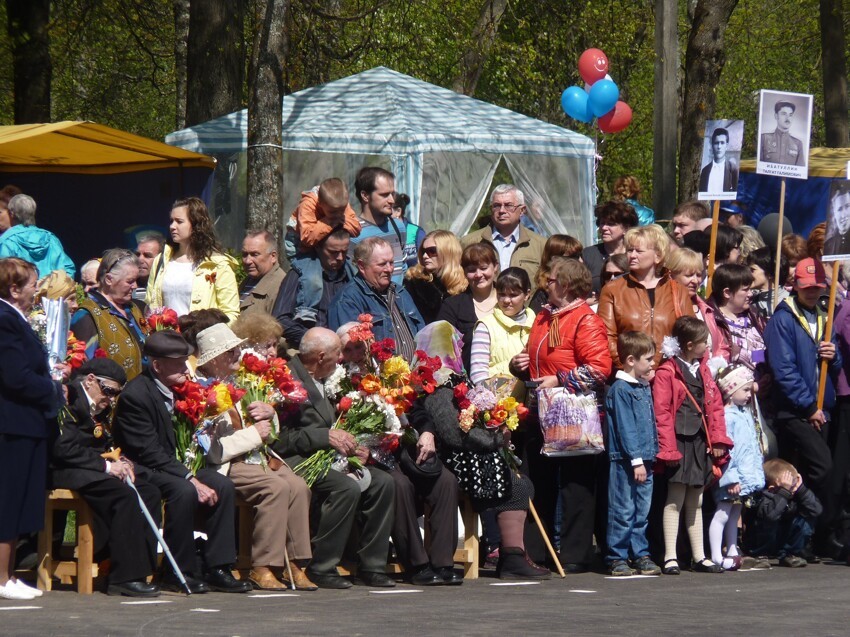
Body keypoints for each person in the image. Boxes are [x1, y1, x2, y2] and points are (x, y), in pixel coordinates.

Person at [113, 330, 251, 594]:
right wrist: (189, 477)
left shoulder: (182, 389)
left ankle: (217, 566)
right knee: (183, 490)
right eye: (179, 364)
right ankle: (178, 570)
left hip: (178, 466)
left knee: (222, 485)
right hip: (145, 467)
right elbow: (149, 451)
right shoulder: (137, 395)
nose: (186, 369)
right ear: (157, 365)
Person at [414, 321, 550, 580]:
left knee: (521, 481)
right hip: (453, 460)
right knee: (518, 485)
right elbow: (454, 434)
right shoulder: (439, 385)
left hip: (463, 456)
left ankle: (512, 556)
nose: (459, 349)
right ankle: (511, 559)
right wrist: (494, 439)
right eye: (455, 344)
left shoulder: (449, 380)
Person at [270, 328, 396, 589]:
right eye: (338, 352)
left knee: (384, 482)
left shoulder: (331, 377)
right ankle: (322, 565)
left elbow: (339, 424)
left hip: (332, 455)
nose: (342, 358)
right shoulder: (287, 379)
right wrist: (324, 437)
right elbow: (278, 438)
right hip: (297, 459)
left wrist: (355, 445)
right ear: (320, 356)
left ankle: (372, 565)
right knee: (344, 487)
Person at [193, 324, 315, 591]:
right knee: (276, 488)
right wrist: (255, 435)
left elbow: (268, 434)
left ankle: (296, 564)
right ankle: (263, 567)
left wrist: (270, 417)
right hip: (227, 464)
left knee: (298, 486)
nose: (239, 354)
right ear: (214, 358)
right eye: (231, 351)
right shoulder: (201, 392)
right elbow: (211, 450)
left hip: (258, 457)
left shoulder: (241, 382)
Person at [510, 258, 612, 572]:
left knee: (576, 483)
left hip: (572, 413)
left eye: (551, 280)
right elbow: (538, 355)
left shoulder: (585, 319)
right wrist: (519, 364)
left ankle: (575, 554)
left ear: (566, 285)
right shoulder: (544, 315)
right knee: (536, 479)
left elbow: (599, 369)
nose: (545, 284)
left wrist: (561, 379)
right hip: (541, 410)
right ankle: (536, 551)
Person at [50, 358, 161, 597]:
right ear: (90, 380)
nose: (111, 399)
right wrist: (107, 467)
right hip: (63, 467)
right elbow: (64, 448)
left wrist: (119, 460)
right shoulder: (68, 397)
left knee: (149, 492)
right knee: (123, 496)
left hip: (90, 466)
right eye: (108, 391)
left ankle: (142, 569)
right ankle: (123, 577)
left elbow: (104, 442)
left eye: (115, 394)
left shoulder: (102, 406)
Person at [763, 257, 841, 550]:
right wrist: (809, 407)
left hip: (822, 408)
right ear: (795, 285)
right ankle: (811, 528)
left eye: (817, 287)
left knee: (805, 471)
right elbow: (784, 369)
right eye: (807, 287)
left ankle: (802, 538)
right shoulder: (783, 319)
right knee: (822, 469)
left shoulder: (824, 314)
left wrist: (834, 356)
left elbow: (833, 367)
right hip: (795, 411)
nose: (812, 292)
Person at [0, 258, 63, 600]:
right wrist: (53, 388)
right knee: (8, 499)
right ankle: (1, 577)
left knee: (20, 497)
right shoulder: (5, 320)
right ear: (14, 289)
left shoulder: (16, 319)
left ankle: (8, 575)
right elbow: (15, 376)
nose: (35, 291)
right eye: (31, 285)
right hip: (13, 424)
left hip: (27, 424)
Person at [654, 317, 732, 575]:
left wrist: (718, 439)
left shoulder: (704, 370)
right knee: (674, 499)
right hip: (678, 442)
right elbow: (662, 412)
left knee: (696, 500)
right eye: (703, 342)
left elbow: (716, 408)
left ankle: (699, 556)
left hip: (700, 440)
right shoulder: (668, 371)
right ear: (689, 345)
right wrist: (668, 448)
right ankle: (670, 556)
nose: (707, 346)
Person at [597, 224, 694, 369]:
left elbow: (691, 334)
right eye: (630, 250)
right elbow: (605, 337)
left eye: (639, 251)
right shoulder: (612, 290)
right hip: (629, 378)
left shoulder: (678, 291)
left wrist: (670, 370)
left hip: (669, 375)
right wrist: (632, 368)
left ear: (658, 256)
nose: (632, 255)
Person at [605, 331, 661, 576]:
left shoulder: (642, 386)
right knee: (623, 509)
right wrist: (636, 460)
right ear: (630, 360)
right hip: (627, 460)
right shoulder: (620, 389)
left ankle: (640, 553)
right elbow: (626, 427)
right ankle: (617, 556)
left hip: (645, 459)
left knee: (642, 510)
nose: (652, 363)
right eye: (647, 359)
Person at [328, 237, 423, 362]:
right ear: (362, 266)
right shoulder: (347, 300)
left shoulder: (400, 292)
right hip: (379, 380)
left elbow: (422, 332)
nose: (389, 269)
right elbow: (351, 353)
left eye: (391, 262)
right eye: (382, 264)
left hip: (414, 375)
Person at [708, 364, 765, 570]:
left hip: (745, 478)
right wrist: (730, 477)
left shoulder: (746, 414)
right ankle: (715, 554)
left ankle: (732, 548)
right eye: (745, 390)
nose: (750, 394)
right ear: (731, 391)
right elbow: (726, 452)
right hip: (732, 478)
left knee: (735, 513)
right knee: (722, 513)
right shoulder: (727, 416)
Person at [145, 197, 239, 321]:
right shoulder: (161, 261)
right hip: (167, 338)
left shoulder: (218, 264)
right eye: (171, 221)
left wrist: (209, 334)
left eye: (179, 221)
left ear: (196, 225)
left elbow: (231, 313)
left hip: (202, 338)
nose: (172, 226)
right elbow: (150, 306)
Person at [284, 179, 361, 324]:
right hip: (300, 247)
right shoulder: (307, 205)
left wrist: (331, 219)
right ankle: (306, 310)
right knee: (312, 275)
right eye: (332, 212)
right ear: (321, 203)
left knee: (353, 271)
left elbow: (356, 228)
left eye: (341, 211)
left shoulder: (339, 204)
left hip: (319, 243)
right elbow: (307, 238)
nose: (337, 215)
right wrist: (330, 222)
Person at [71, 249, 148, 380]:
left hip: (143, 394)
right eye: (130, 281)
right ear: (108, 279)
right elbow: (82, 371)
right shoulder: (87, 316)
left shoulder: (134, 308)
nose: (135, 286)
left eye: (136, 280)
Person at [273, 228, 351, 350]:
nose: (340, 257)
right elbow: (280, 319)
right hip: (311, 355)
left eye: (344, 252)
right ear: (317, 247)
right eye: (333, 252)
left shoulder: (351, 276)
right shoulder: (300, 275)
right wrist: (313, 339)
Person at [743, 458, 823, 567]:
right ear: (772, 489)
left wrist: (802, 490)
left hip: (781, 537)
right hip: (761, 541)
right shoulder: (764, 496)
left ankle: (789, 554)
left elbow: (817, 510)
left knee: (808, 517)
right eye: (790, 486)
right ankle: (759, 555)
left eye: (794, 484)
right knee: (768, 521)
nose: (793, 489)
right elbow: (770, 516)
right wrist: (783, 493)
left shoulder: (796, 493)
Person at [461, 184, 546, 284]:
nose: (502, 210)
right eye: (496, 206)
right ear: (491, 209)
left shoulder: (540, 245)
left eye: (508, 205)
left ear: (522, 210)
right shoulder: (469, 242)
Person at [436, 242, 499, 373]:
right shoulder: (452, 306)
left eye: (483, 268)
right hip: (467, 386)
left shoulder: (512, 301)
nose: (478, 274)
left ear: (495, 267)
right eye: (471, 270)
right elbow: (441, 349)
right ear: (464, 272)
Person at [349, 167, 415, 285]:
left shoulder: (398, 227)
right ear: (365, 195)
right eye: (384, 195)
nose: (391, 200)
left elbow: (402, 269)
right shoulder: (353, 233)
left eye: (392, 194)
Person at [469, 267, 534, 386]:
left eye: (513, 295)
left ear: (527, 294)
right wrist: (511, 367)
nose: (506, 300)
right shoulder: (486, 326)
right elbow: (478, 375)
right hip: (499, 402)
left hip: (533, 400)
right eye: (501, 294)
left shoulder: (539, 324)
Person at [666, 248, 729, 362]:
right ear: (671, 275)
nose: (695, 281)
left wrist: (717, 366)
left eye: (699, 275)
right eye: (689, 275)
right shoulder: (665, 307)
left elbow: (720, 345)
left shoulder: (705, 308)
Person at [0, 194, 75, 278]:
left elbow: (4, 277)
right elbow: (68, 269)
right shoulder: (51, 238)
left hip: (23, 290)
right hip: (53, 290)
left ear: (11, 213)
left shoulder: (6, 242)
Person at [404, 230, 467, 325]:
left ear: (447, 252)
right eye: (423, 251)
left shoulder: (467, 283)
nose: (425, 256)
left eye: (432, 251)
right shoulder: (414, 283)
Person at [583, 201, 640, 297]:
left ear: (626, 228)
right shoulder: (588, 255)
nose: (604, 227)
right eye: (602, 223)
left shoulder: (635, 254)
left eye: (610, 224)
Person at [531, 234, 584, 312]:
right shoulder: (542, 296)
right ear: (555, 260)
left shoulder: (580, 287)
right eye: (574, 257)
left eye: (581, 255)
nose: (581, 261)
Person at [239, 230, 286, 316]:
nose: (247, 261)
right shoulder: (248, 281)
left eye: (255, 254)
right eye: (245, 254)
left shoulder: (281, 287)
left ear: (273, 256)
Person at [747, 246, 789, 318]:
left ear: (770, 273)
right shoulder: (749, 300)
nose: (747, 273)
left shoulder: (788, 303)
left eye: (752, 270)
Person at [760, 100, 805, 166]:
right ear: (776, 116)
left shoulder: (798, 143)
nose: (788, 118)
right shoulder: (764, 138)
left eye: (790, 115)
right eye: (784, 114)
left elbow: (800, 170)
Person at [699, 127, 739, 194]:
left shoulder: (733, 169)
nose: (719, 147)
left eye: (722, 143)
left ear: (726, 146)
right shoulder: (705, 171)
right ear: (712, 145)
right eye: (716, 143)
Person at [133, 231, 164, 303]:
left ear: (160, 259)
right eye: (137, 254)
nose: (140, 259)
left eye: (147, 256)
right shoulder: (127, 286)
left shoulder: (166, 287)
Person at [824, 183, 850, 258]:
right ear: (834, 213)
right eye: (839, 209)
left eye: (848, 206)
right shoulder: (828, 245)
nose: (844, 215)